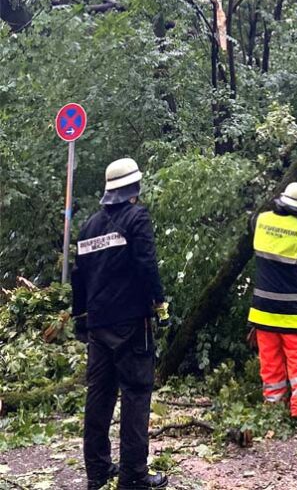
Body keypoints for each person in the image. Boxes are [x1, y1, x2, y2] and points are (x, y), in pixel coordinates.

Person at [71, 158, 168, 490]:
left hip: (98, 325)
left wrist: (81, 318)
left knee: (99, 396)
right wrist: (159, 302)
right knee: (136, 394)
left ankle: (97, 472)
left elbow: (77, 277)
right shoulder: (136, 217)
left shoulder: (89, 227)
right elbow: (146, 263)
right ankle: (134, 477)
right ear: (134, 189)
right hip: (131, 323)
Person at [248, 182, 297, 422]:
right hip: (293, 311)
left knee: (271, 363)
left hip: (262, 309)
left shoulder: (261, 220)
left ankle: (273, 407)